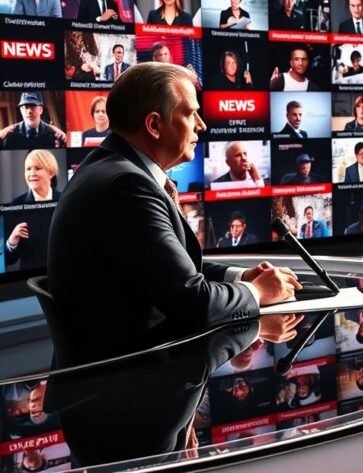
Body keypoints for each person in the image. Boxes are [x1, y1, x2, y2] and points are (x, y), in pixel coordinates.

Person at [46, 63, 300, 367]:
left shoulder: (110, 167)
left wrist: (241, 277)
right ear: (154, 125)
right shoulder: (126, 186)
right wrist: (257, 291)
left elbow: (171, 270)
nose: (202, 125)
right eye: (191, 113)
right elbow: (192, 302)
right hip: (127, 387)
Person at [0, 92, 67, 149]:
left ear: (41, 110)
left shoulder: (54, 135)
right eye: (25, 107)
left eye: (33, 106)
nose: (29, 111)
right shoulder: (10, 135)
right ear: (21, 111)